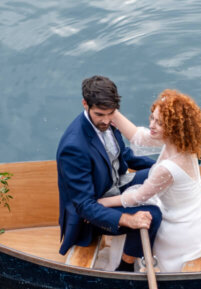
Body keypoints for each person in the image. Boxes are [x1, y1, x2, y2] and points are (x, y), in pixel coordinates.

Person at [98, 89, 201, 272]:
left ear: (172, 127)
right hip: (195, 210)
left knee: (138, 211)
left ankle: (126, 264)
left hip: (181, 227)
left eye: (159, 123)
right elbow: (138, 136)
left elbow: (137, 197)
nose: (152, 125)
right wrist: (112, 111)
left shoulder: (167, 169)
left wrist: (102, 202)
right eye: (152, 118)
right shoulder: (182, 140)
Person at [56, 76, 162, 271]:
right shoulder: (73, 147)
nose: (106, 120)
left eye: (111, 113)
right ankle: (124, 268)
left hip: (116, 184)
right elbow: (84, 206)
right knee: (152, 215)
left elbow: (125, 155)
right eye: (99, 114)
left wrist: (163, 166)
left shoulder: (109, 122)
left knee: (156, 176)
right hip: (92, 212)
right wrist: (129, 220)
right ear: (85, 104)